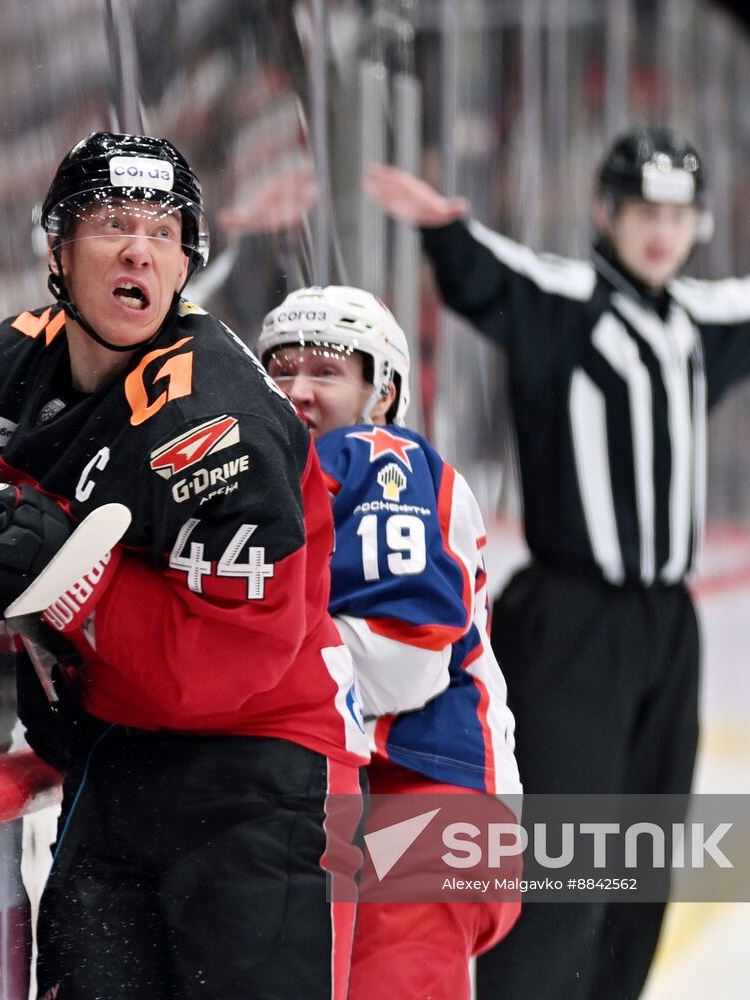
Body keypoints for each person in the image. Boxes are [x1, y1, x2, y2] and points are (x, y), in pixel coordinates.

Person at [362, 125, 750, 1000]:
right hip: (571, 622)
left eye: (677, 215)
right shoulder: (566, 305)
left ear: (698, 225)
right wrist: (445, 233)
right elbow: (489, 277)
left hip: (664, 631)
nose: (658, 230)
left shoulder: (692, 323)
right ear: (605, 212)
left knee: (641, 853)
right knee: (564, 854)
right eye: (642, 209)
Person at [0, 132, 369, 1000]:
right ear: (57, 252)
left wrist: (66, 580)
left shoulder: (218, 426)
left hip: (259, 772)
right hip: (115, 757)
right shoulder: (9, 370)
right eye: (111, 222)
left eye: (164, 230)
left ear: (185, 265)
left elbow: (229, 670)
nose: (139, 247)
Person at [258, 284, 521, 1000]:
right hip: (381, 797)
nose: (296, 391)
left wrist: (240, 664)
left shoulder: (378, 457)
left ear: (383, 395)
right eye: (279, 370)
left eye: (325, 371)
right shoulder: (286, 475)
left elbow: (401, 663)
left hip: (427, 789)